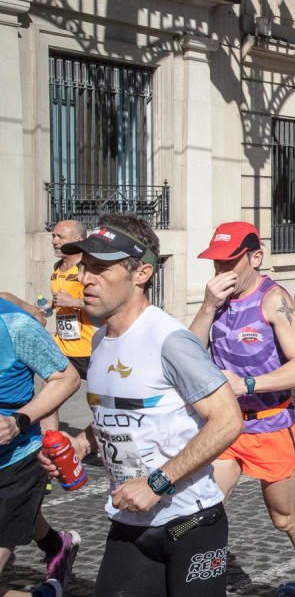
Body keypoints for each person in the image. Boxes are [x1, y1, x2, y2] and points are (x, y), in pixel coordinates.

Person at [46, 213, 242, 596]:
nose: (86, 278)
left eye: (101, 268)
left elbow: (227, 420)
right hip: (128, 522)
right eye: (86, 267)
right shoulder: (101, 340)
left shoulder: (170, 339)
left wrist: (157, 482)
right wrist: (82, 443)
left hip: (191, 524)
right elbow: (125, 412)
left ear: (141, 274)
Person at [190, 221, 295, 596]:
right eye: (216, 263)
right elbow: (188, 353)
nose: (221, 271)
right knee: (203, 509)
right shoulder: (216, 301)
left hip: (270, 426)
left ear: (255, 257)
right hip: (227, 425)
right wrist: (207, 306)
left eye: (229, 262)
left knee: (283, 518)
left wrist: (247, 384)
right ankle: (200, 583)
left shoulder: (274, 300)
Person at [0, 295, 81, 597]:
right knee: (24, 514)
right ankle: (56, 545)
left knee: (17, 509)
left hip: (15, 460)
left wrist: (19, 421)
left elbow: (66, 378)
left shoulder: (15, 325)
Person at [49, 220, 99, 379]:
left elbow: (106, 304)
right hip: (61, 348)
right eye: (53, 236)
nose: (54, 241)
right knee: (49, 389)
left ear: (78, 241)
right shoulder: (57, 267)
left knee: (96, 399)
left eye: (60, 237)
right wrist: (50, 305)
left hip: (87, 348)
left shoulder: (89, 268)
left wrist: (74, 302)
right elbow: (61, 298)